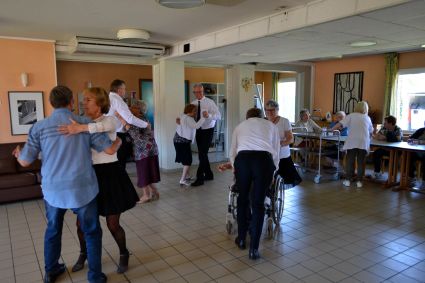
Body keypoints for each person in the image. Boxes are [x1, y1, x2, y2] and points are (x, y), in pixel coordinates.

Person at [13, 86, 121, 283]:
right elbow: (109, 150)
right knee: (92, 232)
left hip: (53, 191)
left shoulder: (39, 127)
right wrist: (119, 142)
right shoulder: (84, 123)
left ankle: (51, 271)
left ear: (51, 103)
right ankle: (95, 276)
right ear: (71, 102)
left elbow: (25, 162)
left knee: (53, 230)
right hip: (83, 189)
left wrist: (19, 153)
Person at [58, 87, 139, 274]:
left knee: (112, 224)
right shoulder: (79, 121)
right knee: (81, 224)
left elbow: (101, 128)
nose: (83, 103)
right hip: (88, 175)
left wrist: (81, 128)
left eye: (88, 100)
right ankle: (83, 253)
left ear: (100, 103)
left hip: (110, 176)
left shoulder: (109, 119)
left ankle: (124, 253)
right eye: (83, 99)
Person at [230, 108, 280, 260]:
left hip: (243, 160)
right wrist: (273, 172)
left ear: (247, 117)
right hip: (263, 161)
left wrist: (235, 168)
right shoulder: (271, 126)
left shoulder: (239, 126)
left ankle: (241, 239)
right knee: (258, 204)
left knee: (242, 199)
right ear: (262, 117)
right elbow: (276, 152)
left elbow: (233, 152)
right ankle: (254, 249)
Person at [117, 100, 161, 203]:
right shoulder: (143, 118)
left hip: (143, 151)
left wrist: (121, 119)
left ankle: (146, 195)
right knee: (148, 172)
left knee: (143, 172)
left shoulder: (138, 119)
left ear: (139, 109)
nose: (130, 109)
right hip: (150, 149)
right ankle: (154, 191)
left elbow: (136, 136)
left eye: (133, 107)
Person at [107, 79, 149, 170]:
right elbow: (130, 118)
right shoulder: (118, 100)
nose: (125, 91)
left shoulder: (109, 98)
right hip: (118, 135)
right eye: (124, 89)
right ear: (119, 90)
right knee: (120, 163)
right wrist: (146, 125)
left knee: (115, 162)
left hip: (111, 134)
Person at [331, 101, 373, 188]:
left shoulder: (351, 115)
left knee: (350, 161)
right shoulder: (367, 118)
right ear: (366, 109)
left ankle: (348, 180)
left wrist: (331, 129)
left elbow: (340, 124)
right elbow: (371, 131)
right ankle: (359, 182)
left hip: (352, 140)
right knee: (361, 162)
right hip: (363, 141)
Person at [190, 83, 221, 187]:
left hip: (208, 130)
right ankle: (209, 174)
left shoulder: (210, 102)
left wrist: (209, 115)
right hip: (198, 130)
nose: (198, 93)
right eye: (196, 92)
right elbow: (190, 116)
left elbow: (218, 116)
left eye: (200, 91)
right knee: (202, 153)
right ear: (194, 92)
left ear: (203, 91)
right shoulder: (193, 103)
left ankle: (200, 178)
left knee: (202, 153)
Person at [264, 100, 302, 186]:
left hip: (282, 155)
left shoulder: (284, 121)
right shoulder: (264, 122)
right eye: (267, 110)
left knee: (284, 180)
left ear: (277, 110)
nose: (269, 112)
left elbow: (290, 139)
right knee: (267, 179)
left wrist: (279, 144)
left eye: (272, 110)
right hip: (268, 155)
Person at [174, 104, 207, 186]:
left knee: (184, 159)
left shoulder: (183, 116)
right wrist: (204, 118)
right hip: (182, 142)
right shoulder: (189, 119)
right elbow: (196, 126)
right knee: (188, 161)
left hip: (177, 140)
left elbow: (178, 119)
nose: (196, 112)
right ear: (189, 111)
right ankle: (182, 179)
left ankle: (187, 175)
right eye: (194, 111)